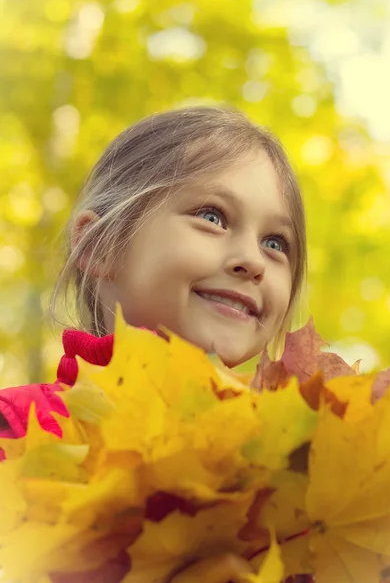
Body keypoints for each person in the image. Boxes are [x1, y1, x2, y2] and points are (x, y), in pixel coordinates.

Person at [0, 106, 308, 582]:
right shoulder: (18, 429)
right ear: (101, 247)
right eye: (213, 216)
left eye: (276, 243)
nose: (253, 260)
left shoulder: (298, 464)